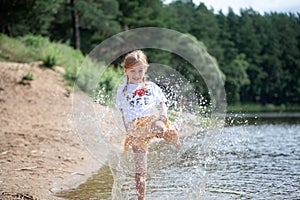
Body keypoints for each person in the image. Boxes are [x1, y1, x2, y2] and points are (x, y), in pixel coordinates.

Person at [116, 50, 181, 200]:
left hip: (151, 120)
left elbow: (162, 104)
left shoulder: (151, 87)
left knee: (157, 126)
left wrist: (163, 116)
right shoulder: (122, 90)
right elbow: (123, 113)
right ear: (126, 71)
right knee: (140, 171)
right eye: (133, 71)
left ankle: (170, 132)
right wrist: (128, 131)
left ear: (145, 69)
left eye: (140, 70)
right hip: (135, 130)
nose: (137, 75)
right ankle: (141, 198)